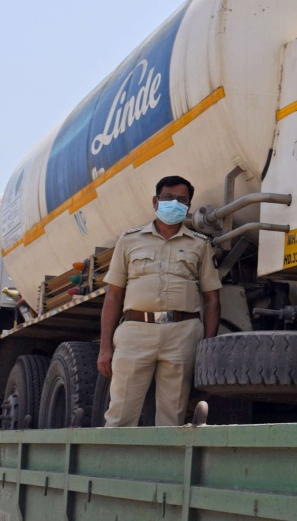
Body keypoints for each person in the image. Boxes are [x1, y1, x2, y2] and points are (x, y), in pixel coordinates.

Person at [97, 175, 222, 427]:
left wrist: (206, 346)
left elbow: (212, 300)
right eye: (168, 198)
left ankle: (166, 464)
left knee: (172, 417)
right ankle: (113, 463)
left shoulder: (200, 245)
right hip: (135, 331)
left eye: (181, 200)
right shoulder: (129, 240)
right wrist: (105, 347)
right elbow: (113, 296)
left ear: (188, 206)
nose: (174, 203)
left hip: (183, 333)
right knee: (120, 415)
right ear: (156, 201)